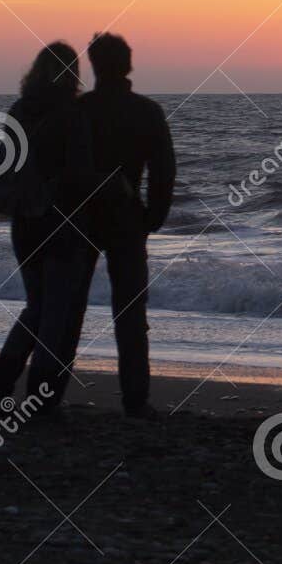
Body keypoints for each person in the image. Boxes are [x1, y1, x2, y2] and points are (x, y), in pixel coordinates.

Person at [72, 33, 176, 419]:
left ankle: (47, 394)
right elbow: (164, 169)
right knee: (131, 312)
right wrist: (154, 214)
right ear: (128, 65)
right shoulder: (145, 111)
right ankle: (135, 398)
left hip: (80, 218)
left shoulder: (79, 111)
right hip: (127, 218)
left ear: (95, 66)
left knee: (70, 307)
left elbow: (62, 166)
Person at [0, 42, 90, 419]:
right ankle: (39, 399)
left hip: (25, 224)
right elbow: (80, 172)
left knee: (36, 307)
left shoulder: (19, 112)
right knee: (54, 313)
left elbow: (0, 167)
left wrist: (12, 200)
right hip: (59, 224)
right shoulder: (72, 115)